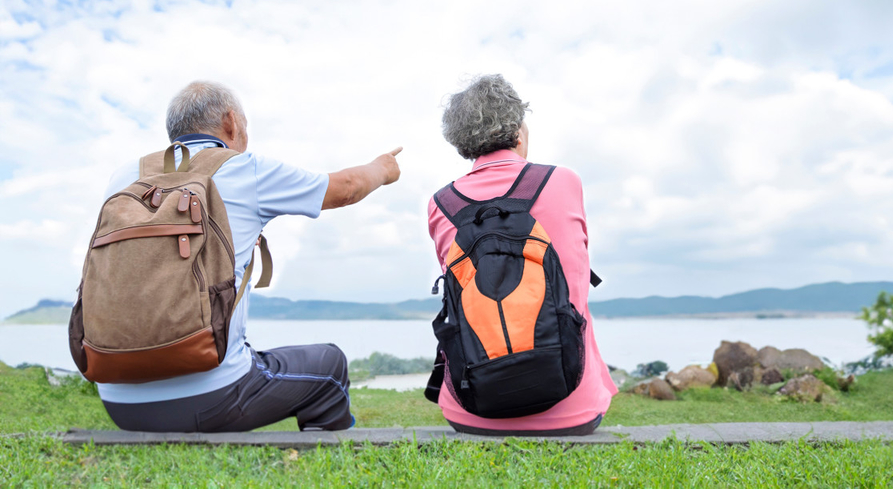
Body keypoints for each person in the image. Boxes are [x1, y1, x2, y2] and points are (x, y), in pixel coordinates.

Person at [97, 80, 402, 433]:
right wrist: (383, 168)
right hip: (212, 398)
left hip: (119, 403)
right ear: (232, 123)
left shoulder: (124, 176)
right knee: (329, 365)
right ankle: (328, 461)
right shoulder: (244, 169)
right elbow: (346, 189)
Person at [426, 74, 617, 435]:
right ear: (518, 129)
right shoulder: (564, 181)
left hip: (472, 412)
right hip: (572, 410)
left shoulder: (440, 204)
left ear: (462, 143)